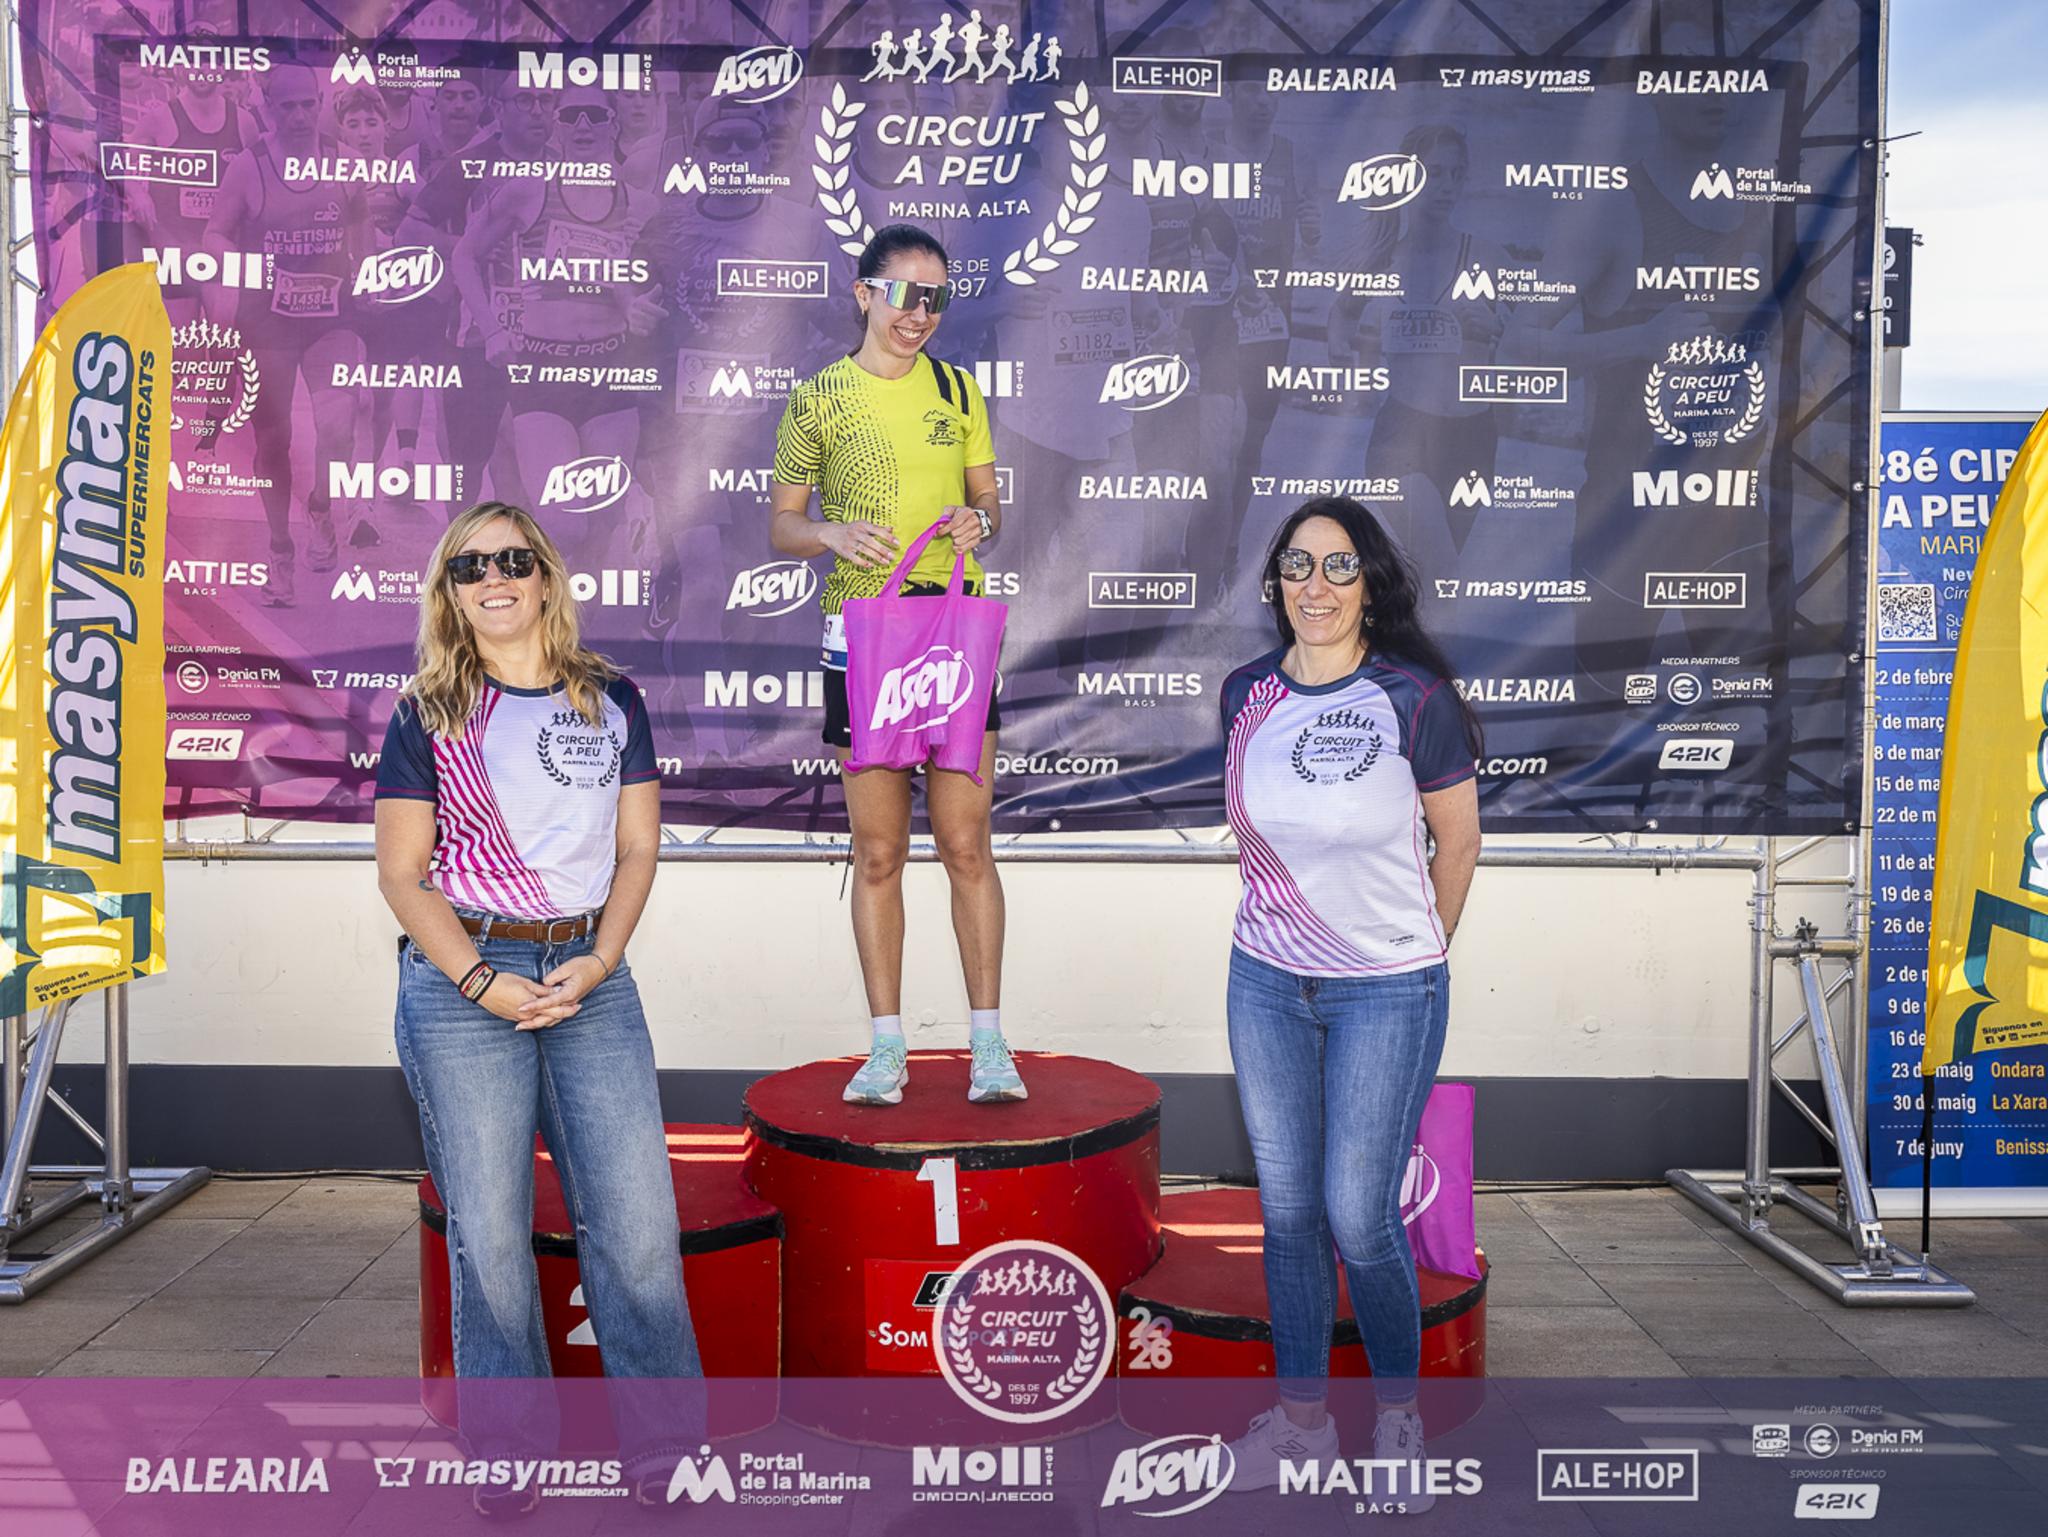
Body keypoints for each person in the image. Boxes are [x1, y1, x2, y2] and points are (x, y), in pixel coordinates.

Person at [373, 502, 698, 1509]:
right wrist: (481, 979)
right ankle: (508, 1448)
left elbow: (638, 847)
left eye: (513, 560)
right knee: (490, 1235)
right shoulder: (427, 711)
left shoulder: (611, 697)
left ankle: (665, 1446)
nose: (494, 578)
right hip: (464, 981)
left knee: (637, 1227)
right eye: (470, 567)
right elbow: (403, 874)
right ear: (450, 592)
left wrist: (600, 960)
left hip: (590, 975)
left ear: (547, 577)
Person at [1217, 498, 1482, 1507]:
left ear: (1368, 583)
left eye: (1337, 567)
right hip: (1264, 982)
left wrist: (1413, 957)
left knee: (1358, 1216)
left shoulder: (1414, 696)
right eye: (1297, 566)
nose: (1315, 586)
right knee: (1287, 1214)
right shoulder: (1245, 693)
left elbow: (1457, 843)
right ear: (1275, 582)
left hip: (1387, 990)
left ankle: (1398, 1420)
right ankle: (1301, 1428)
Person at [768, 224, 1022, 1107]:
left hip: (953, 634)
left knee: (966, 845)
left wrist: (979, 520)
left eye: (937, 298)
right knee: (878, 852)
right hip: (864, 636)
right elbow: (783, 524)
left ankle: (989, 1044)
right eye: (907, 293)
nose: (921, 313)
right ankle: (886, 1047)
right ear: (864, 292)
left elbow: (989, 501)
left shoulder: (957, 388)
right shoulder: (818, 398)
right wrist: (829, 532)